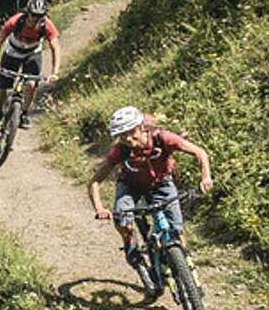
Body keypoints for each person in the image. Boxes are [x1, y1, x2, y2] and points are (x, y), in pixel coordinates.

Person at [89, 105, 213, 279]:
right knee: (122, 216)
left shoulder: (163, 138)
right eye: (121, 136)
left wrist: (205, 177)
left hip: (161, 182)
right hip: (130, 185)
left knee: (176, 228)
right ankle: (129, 243)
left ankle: (184, 263)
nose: (127, 139)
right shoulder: (121, 150)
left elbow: (200, 153)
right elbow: (95, 181)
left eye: (130, 132)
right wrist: (100, 208)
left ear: (140, 127)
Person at [0, 0, 60, 128]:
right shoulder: (16, 21)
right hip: (12, 52)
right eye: (33, 15)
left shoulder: (46, 25)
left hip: (32, 53)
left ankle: (24, 114)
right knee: (2, 84)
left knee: (31, 84)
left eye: (39, 16)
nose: (35, 18)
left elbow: (55, 48)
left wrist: (55, 72)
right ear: (27, 12)